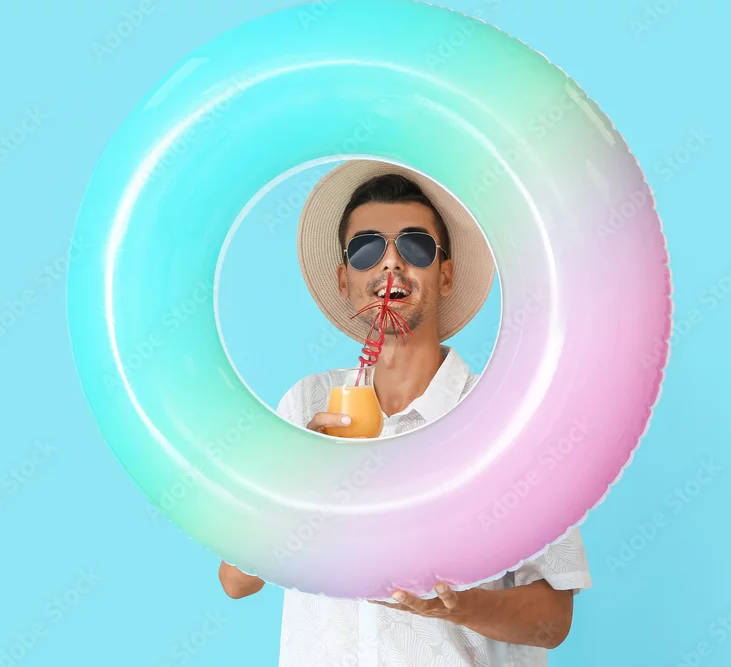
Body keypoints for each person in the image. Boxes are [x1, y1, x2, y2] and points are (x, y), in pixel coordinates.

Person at [218, 160, 592, 666]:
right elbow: (236, 581)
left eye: (415, 246)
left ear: (445, 274)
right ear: (344, 278)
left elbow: (553, 621)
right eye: (366, 249)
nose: (391, 262)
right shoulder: (307, 405)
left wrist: (458, 607)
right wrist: (299, 486)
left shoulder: (507, 420)